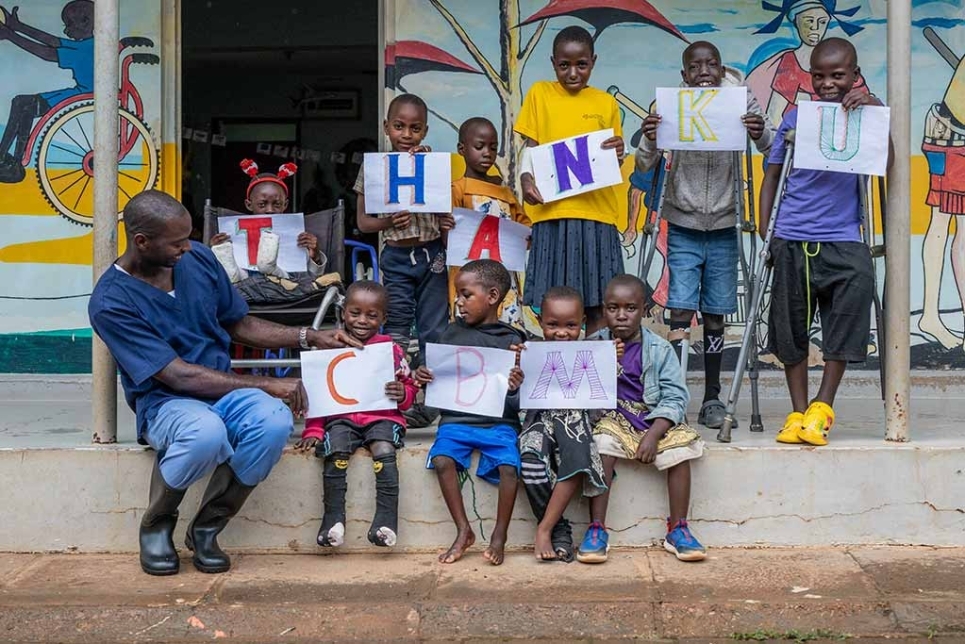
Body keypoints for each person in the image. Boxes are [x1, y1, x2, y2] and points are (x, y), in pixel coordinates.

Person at [88, 190, 360, 576]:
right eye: (177, 242)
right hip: (166, 402)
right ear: (142, 242)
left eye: (188, 238)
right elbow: (176, 374)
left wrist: (310, 336)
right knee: (206, 433)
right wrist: (268, 385)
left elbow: (239, 323)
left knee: (273, 422)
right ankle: (157, 523)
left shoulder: (197, 258)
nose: (187, 248)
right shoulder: (111, 300)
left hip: (224, 393)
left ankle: (207, 527)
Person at [637, 41, 775, 430]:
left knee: (716, 311)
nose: (703, 71)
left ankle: (712, 396)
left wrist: (759, 132)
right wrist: (650, 135)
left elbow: (770, 147)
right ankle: (674, 394)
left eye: (710, 64)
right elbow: (644, 162)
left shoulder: (741, 101)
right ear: (684, 75)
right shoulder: (670, 105)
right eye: (694, 66)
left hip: (725, 225)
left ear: (720, 67)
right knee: (680, 309)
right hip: (682, 221)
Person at [758, 38, 887, 446]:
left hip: (843, 238)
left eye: (838, 75)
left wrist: (877, 114)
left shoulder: (865, 114)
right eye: (819, 75)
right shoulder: (796, 116)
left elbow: (888, 165)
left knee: (853, 302)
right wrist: (767, 231)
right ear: (809, 76)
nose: (828, 83)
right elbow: (773, 175)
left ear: (854, 74)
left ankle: (822, 406)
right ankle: (797, 412)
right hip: (792, 235)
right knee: (789, 326)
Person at [578, 274, 706, 564]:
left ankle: (678, 528)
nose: (621, 316)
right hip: (613, 418)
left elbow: (675, 397)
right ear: (603, 308)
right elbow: (581, 390)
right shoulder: (593, 346)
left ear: (645, 309)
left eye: (630, 308)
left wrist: (654, 434)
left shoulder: (659, 349)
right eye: (613, 308)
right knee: (601, 445)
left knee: (681, 450)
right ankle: (596, 528)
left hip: (652, 419)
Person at [514, 25, 626, 336]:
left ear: (593, 61)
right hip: (554, 214)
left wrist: (620, 150)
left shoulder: (606, 103)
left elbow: (614, 154)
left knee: (599, 303)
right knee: (555, 305)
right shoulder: (540, 93)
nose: (573, 72)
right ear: (553, 63)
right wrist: (526, 178)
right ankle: (557, 376)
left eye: (582, 64)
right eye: (564, 65)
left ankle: (596, 374)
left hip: (597, 214)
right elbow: (531, 146)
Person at [415, 260, 526, 566]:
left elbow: (520, 403)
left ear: (492, 296)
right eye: (458, 295)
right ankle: (463, 530)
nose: (458, 302)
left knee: (509, 467)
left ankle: (499, 535)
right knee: (441, 460)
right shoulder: (448, 335)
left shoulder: (514, 341)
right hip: (455, 422)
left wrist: (515, 388)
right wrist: (423, 376)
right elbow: (435, 385)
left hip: (499, 423)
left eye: (465, 294)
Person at [295, 280, 419, 549]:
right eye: (355, 313)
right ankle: (333, 520)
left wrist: (403, 392)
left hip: (383, 418)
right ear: (343, 313)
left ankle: (386, 522)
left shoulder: (392, 351)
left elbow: (408, 392)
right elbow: (319, 393)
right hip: (342, 418)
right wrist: (314, 430)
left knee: (384, 449)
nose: (362, 320)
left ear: (383, 318)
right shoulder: (329, 347)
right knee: (335, 449)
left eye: (372, 315)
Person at [355, 93, 455, 362]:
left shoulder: (432, 163)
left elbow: (444, 211)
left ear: (425, 131)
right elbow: (363, 223)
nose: (407, 134)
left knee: (434, 324)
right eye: (399, 126)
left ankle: (431, 392)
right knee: (397, 320)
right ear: (386, 127)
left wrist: (445, 220)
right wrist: (388, 222)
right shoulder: (374, 168)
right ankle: (398, 387)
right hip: (396, 257)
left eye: (415, 128)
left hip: (431, 254)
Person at [518, 286, 607, 562]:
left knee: (578, 458)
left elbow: (605, 389)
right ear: (540, 322)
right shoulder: (528, 351)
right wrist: (515, 371)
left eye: (570, 325)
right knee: (530, 459)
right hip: (539, 418)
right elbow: (513, 397)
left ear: (582, 323)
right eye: (552, 324)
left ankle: (544, 528)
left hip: (574, 418)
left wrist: (610, 359)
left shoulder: (593, 351)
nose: (561, 332)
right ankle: (559, 529)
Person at [450, 116, 533, 333]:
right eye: (479, 146)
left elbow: (524, 229)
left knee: (507, 331)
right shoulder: (457, 189)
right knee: (470, 334)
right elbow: (448, 238)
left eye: (493, 147)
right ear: (462, 148)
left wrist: (528, 238)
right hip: (469, 279)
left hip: (505, 280)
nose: (487, 153)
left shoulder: (505, 192)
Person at [0, 1, 94, 183]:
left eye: (69, 25)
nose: (67, 31)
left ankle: (9, 159)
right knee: (23, 103)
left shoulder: (86, 49)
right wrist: (18, 27)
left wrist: (11, 35)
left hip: (82, 95)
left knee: (22, 103)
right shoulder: (88, 43)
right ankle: (10, 160)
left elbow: (47, 53)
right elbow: (53, 41)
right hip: (80, 92)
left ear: (86, 22)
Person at [746, 0, 868, 125]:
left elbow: (870, 113)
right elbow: (775, 115)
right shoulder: (791, 63)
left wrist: (869, 101)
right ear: (796, 22)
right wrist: (786, 139)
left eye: (822, 22)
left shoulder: (843, 61)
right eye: (808, 21)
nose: (815, 28)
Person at [211, 160, 327, 284]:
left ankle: (268, 267)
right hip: (245, 288)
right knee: (232, 271)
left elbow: (312, 279)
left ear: (285, 205)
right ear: (249, 205)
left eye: (277, 204)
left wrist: (315, 256)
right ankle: (232, 272)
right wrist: (217, 248)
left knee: (284, 275)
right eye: (262, 204)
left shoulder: (295, 235)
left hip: (284, 289)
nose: (270, 210)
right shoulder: (234, 234)